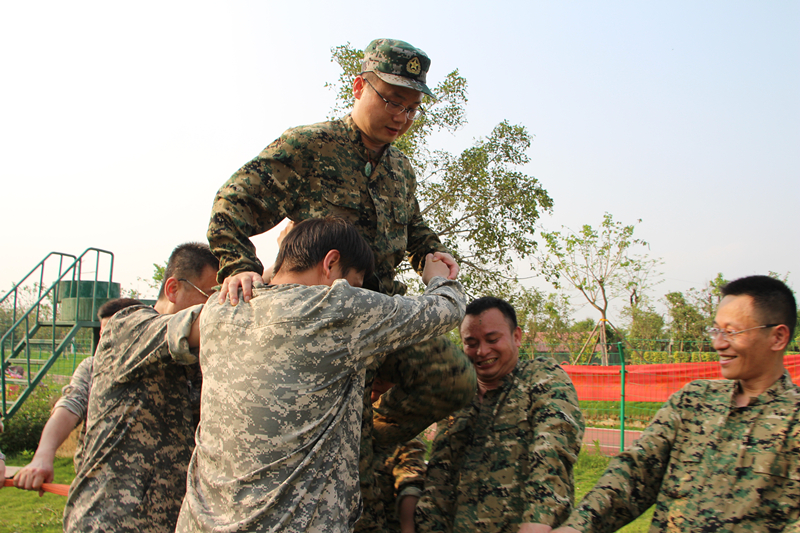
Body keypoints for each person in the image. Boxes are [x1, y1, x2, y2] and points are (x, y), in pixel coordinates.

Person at [206, 38, 476, 530]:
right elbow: (231, 203)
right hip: (319, 325)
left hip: (380, 315)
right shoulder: (309, 147)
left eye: (412, 108)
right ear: (359, 87)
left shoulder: (400, 169)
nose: (400, 117)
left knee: (453, 379)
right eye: (391, 100)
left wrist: (430, 254)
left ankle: (367, 436)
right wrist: (237, 265)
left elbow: (414, 229)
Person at [176, 217, 465, 533]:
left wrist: (262, 272)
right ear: (331, 263)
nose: (354, 292)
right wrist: (437, 276)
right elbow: (447, 308)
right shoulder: (334, 308)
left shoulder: (220, 309)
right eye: (354, 283)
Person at [552, 275, 800, 533]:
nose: (718, 343)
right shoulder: (694, 400)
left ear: (778, 337)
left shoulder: (793, 422)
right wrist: (577, 528)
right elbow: (636, 472)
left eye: (732, 332)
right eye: (716, 330)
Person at [63, 243, 219, 533]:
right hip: (109, 521)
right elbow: (206, 324)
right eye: (211, 296)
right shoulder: (127, 326)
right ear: (173, 289)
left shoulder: (197, 354)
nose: (217, 306)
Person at [415, 297, 585, 533]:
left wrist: (538, 520)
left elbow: (553, 449)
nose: (482, 351)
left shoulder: (541, 377)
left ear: (516, 336)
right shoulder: (458, 398)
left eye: (493, 340)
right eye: (471, 343)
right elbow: (439, 476)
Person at [14, 298, 141, 494]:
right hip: (96, 487)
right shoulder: (92, 367)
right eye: (103, 335)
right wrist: (43, 456)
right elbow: (69, 406)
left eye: (115, 334)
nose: (106, 343)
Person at [358, 377, 427, 533]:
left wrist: (408, 527)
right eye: (374, 375)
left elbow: (411, 480)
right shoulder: (344, 424)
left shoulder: (404, 438)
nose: (378, 381)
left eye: (387, 377)